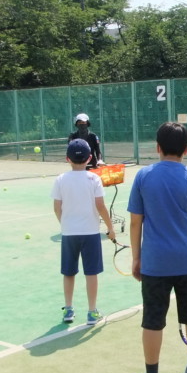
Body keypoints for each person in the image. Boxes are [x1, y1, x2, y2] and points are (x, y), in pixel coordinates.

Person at [127, 122, 187, 373]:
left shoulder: (143, 177)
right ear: (186, 150)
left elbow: (135, 224)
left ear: (157, 147)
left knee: (152, 320)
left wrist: (136, 259)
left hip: (154, 264)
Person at [51, 139, 115, 325]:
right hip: (90, 234)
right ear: (89, 158)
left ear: (67, 158)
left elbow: (57, 207)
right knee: (91, 273)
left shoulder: (61, 179)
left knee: (69, 273)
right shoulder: (94, 178)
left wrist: (65, 224)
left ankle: (68, 310)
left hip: (69, 234)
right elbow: (100, 206)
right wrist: (110, 228)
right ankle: (92, 312)